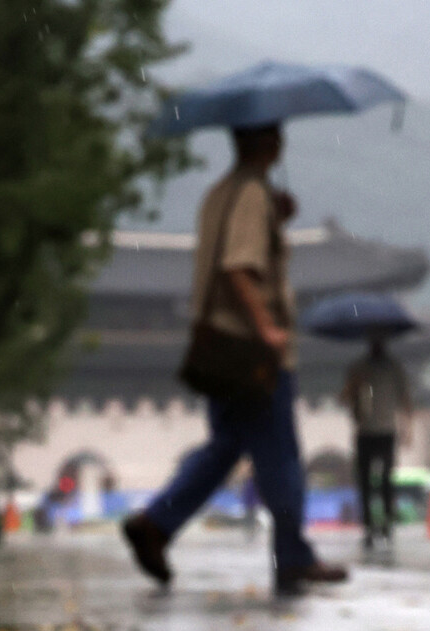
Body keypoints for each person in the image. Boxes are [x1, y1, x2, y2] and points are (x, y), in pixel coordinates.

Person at [122, 122, 348, 595]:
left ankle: (156, 524)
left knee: (225, 446)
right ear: (266, 143)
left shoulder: (220, 193)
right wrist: (267, 326)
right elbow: (238, 267)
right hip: (252, 350)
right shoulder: (250, 195)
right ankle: (292, 556)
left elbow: (230, 252)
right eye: (276, 135)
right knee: (281, 454)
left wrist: (275, 223)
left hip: (219, 345)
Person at [340, 334, 413, 548]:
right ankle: (369, 527)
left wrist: (408, 428)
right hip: (365, 431)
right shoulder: (358, 367)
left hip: (386, 431)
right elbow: (344, 398)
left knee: (385, 481)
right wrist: (355, 384)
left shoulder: (394, 368)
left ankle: (387, 524)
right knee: (364, 482)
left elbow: (405, 398)